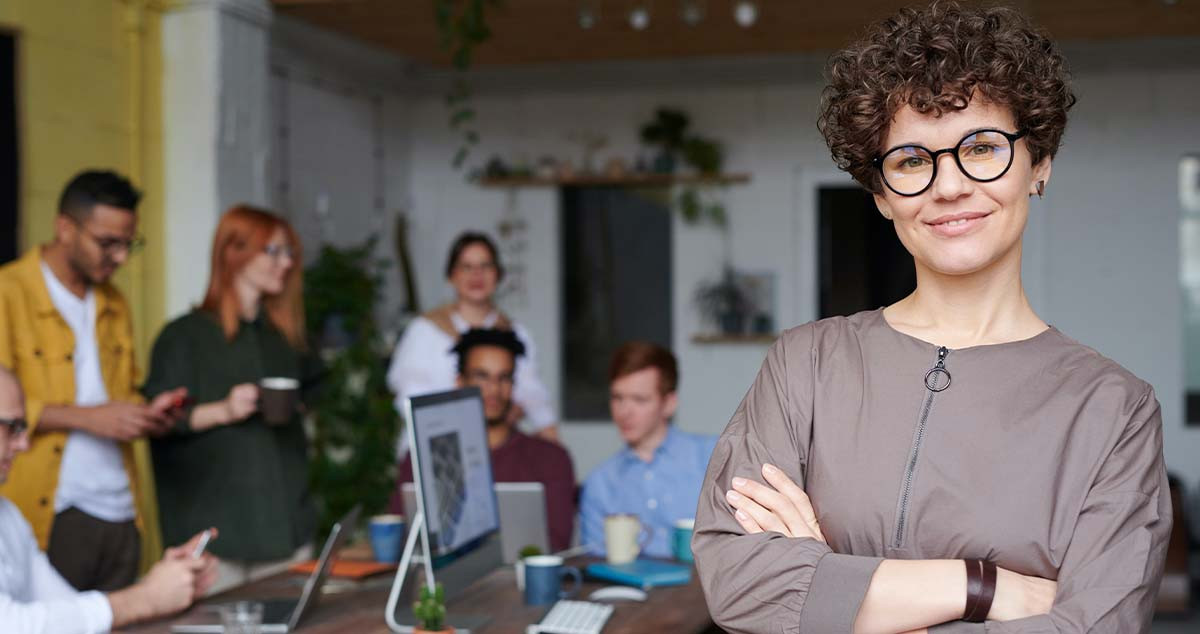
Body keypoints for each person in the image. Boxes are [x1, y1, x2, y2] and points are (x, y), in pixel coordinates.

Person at [693, 3, 1171, 633]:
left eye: (981, 147)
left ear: (1040, 164)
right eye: (913, 160)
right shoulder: (805, 365)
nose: (948, 187)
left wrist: (828, 588)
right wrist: (982, 588)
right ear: (883, 196)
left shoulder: (1114, 409)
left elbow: (1097, 627)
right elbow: (739, 583)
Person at [0, 170, 187, 592]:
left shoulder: (114, 302)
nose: (120, 257)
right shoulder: (7, 292)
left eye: (129, 244)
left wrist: (146, 413)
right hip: (53, 510)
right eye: (108, 243)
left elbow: (119, 393)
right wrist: (90, 419)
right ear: (64, 228)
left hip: (122, 509)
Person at [142, 205, 317, 593]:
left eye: (289, 253)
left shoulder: (284, 338)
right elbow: (157, 421)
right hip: (218, 539)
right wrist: (224, 410)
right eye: (272, 251)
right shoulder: (183, 337)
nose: (285, 263)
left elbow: (311, 396)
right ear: (233, 253)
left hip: (287, 528)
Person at [0, 366, 218, 633]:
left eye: (23, 428)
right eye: (11, 427)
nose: (24, 444)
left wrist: (165, 587)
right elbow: (9, 625)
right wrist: (145, 599)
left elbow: (65, 608)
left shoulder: (8, 517)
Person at [391, 328, 576, 551]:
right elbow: (398, 541)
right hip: (442, 582)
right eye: (482, 376)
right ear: (460, 382)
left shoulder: (551, 458)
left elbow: (556, 545)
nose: (494, 389)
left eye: (504, 378)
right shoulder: (421, 457)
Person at [387, 232, 558, 445]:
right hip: (433, 444)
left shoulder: (515, 334)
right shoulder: (425, 330)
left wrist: (548, 433)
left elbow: (532, 394)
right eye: (466, 267)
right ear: (451, 276)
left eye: (485, 266)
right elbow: (409, 397)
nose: (477, 275)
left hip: (495, 448)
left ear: (498, 275)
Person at [579, 341, 717, 559]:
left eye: (639, 399)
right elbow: (595, 566)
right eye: (617, 398)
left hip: (707, 591)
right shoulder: (600, 482)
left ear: (669, 404)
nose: (624, 412)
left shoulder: (712, 457)